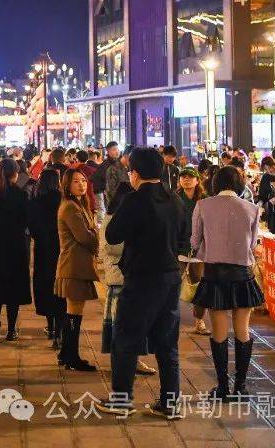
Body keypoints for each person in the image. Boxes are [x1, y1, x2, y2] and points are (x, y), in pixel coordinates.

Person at [96, 148, 189, 419]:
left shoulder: (134, 201)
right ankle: (170, 403)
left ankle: (121, 400)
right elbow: (185, 237)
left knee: (125, 339)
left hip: (142, 279)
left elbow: (113, 235)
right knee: (167, 342)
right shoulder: (175, 200)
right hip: (171, 278)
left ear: (134, 173)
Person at [191, 166, 263, 400]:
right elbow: (252, 245)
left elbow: (194, 240)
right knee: (243, 329)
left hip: (214, 274)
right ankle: (240, 387)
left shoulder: (203, 205)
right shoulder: (252, 209)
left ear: (215, 183)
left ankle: (222, 387)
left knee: (219, 331)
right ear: (240, 185)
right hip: (242, 275)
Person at [0, 158, 32, 341]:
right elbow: (26, 220)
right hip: (16, 246)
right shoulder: (20, 194)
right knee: (14, 288)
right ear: (15, 174)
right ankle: (11, 329)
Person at [55, 167, 99, 371]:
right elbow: (84, 237)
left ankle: (66, 354)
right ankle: (71, 356)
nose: (81, 184)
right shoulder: (71, 207)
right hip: (73, 266)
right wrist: (96, 236)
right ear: (67, 185)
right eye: (76, 181)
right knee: (74, 312)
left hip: (77, 265)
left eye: (83, 180)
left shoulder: (80, 205)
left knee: (73, 312)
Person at [28, 168, 65, 348]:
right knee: (60, 287)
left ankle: (50, 326)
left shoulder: (36, 200)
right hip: (60, 248)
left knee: (45, 285)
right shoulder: (61, 199)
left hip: (43, 249)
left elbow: (31, 224)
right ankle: (59, 330)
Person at [176, 167, 210, 335]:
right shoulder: (174, 199)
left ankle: (199, 320)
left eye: (190, 177)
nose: (186, 180)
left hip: (199, 250)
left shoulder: (205, 200)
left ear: (198, 180)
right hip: (178, 248)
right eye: (183, 177)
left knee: (199, 286)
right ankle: (169, 318)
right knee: (172, 284)